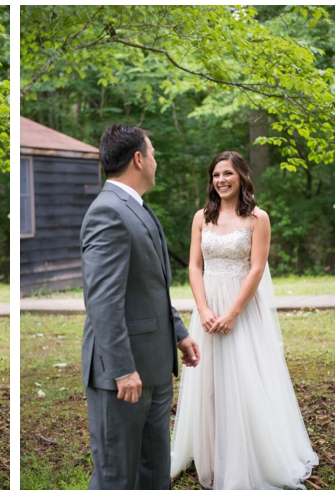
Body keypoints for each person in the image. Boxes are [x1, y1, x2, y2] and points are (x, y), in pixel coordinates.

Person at [169, 151, 318, 489]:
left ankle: (247, 454)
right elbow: (194, 266)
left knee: (244, 378)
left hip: (242, 307)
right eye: (216, 175)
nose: (221, 180)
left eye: (228, 174)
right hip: (207, 308)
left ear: (241, 177)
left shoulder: (257, 218)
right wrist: (204, 309)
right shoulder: (200, 217)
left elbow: (257, 268)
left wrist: (233, 312)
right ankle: (210, 451)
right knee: (207, 381)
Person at [79, 123, 200, 489]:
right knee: (117, 474)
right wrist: (121, 369)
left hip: (156, 366)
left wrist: (178, 333)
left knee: (153, 471)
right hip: (124, 375)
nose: (156, 161)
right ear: (138, 159)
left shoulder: (137, 208)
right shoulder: (107, 213)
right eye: (153, 154)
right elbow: (102, 300)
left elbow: (150, 286)